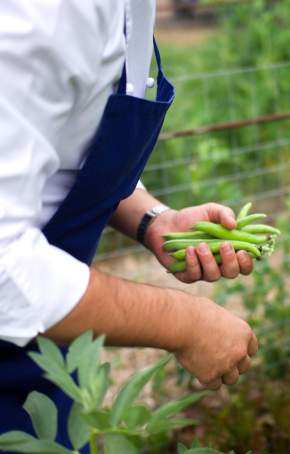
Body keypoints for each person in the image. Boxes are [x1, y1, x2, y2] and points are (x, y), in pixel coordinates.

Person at [0, 0, 258, 451]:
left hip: (43, 350)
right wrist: (184, 323)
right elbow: (4, 268)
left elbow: (64, 152)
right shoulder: (42, 14)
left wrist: (154, 220)